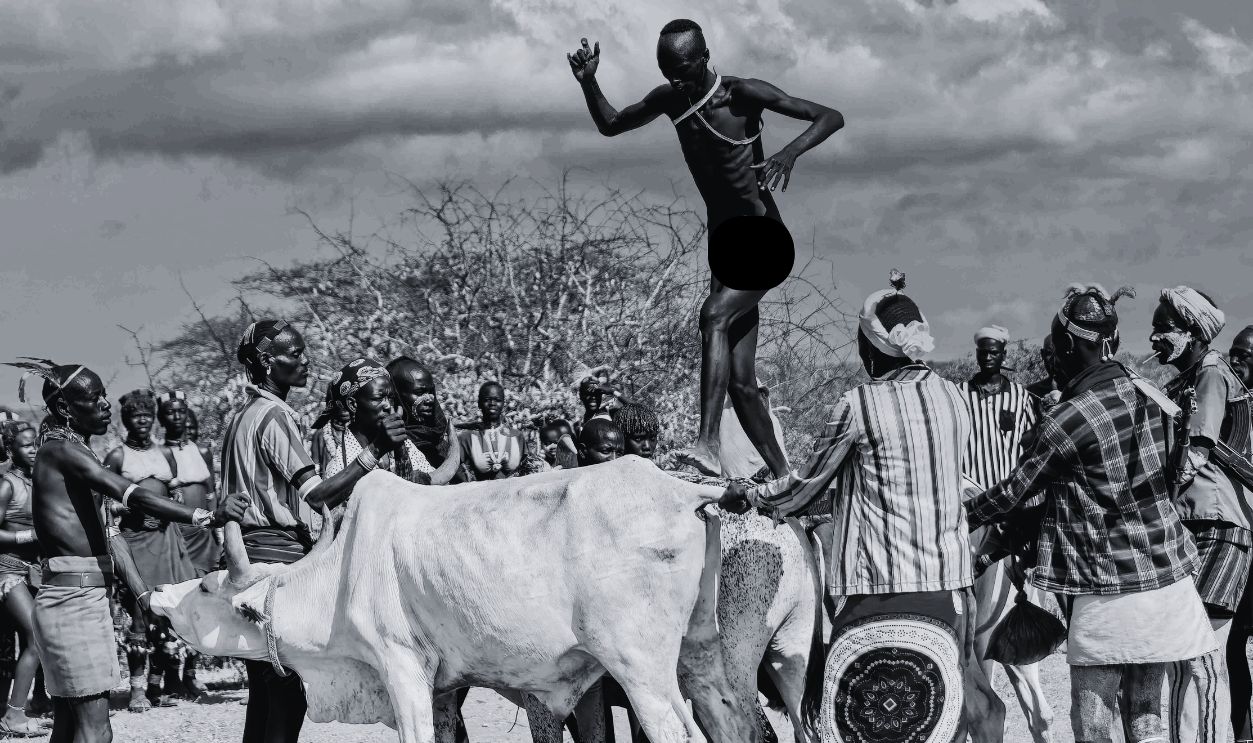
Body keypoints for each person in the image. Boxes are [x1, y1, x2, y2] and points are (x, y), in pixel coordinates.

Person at [717, 272, 1001, 743]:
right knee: (931, 716)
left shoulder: (858, 405)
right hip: (948, 589)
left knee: (864, 723)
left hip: (877, 591)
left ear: (872, 349)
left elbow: (805, 488)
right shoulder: (955, 397)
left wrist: (750, 496)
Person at [567, 19, 843, 480]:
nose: (675, 81)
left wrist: (789, 153)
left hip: (763, 236)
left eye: (682, 70)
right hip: (725, 246)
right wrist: (589, 81)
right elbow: (612, 124)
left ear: (704, 55)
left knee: (713, 315)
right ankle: (785, 478)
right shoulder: (671, 100)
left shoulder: (743, 94)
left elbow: (830, 116)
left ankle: (708, 444)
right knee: (740, 381)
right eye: (666, 72)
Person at [963, 284, 1214, 743]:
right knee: (1145, 716)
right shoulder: (1153, 395)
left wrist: (960, 515)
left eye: (1054, 348)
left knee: (1092, 724)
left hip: (1108, 590)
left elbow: (1014, 494)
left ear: (1070, 344)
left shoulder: (1070, 418)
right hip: (1166, 580)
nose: (1051, 360)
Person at [2, 358, 248, 743]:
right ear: (65, 409)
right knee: (96, 731)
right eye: (94, 397)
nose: (105, 404)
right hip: (72, 602)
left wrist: (142, 592)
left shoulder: (73, 453)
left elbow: (111, 535)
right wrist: (205, 516)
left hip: (82, 597)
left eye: (104, 395)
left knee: (70, 728)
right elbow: (130, 493)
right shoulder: (60, 451)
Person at [217, 320, 405, 743]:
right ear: (268, 362)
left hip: (243, 555)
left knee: (265, 690)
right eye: (295, 354)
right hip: (275, 558)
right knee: (288, 690)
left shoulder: (241, 417)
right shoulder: (275, 416)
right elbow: (317, 493)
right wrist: (375, 452)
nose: (305, 361)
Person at [1150, 287, 1251, 743]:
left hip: (1219, 528)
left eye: (1163, 329)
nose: (1154, 337)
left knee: (1203, 655)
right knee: (1183, 654)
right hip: (1192, 526)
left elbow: (1199, 447)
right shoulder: (1183, 382)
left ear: (1190, 332)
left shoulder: (1211, 374)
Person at [103, 389, 200, 711]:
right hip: (134, 541)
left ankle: (157, 684)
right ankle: (136, 690)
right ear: (126, 420)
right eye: (135, 416)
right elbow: (103, 502)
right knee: (140, 614)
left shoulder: (165, 454)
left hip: (166, 539)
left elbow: (176, 495)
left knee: (167, 609)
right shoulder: (117, 456)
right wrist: (130, 512)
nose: (142, 420)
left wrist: (173, 504)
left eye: (146, 414)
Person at [321, 358, 436, 485]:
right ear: (352, 405)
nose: (387, 405)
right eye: (378, 398)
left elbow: (431, 480)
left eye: (390, 398)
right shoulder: (341, 467)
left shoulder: (405, 443)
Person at [0, 422, 43, 736]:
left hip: (34, 572)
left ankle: (18, 711)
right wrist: (29, 535)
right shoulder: (6, 485)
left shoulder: (40, 482)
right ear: (10, 449)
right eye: (27, 445)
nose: (34, 450)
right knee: (35, 636)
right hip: (6, 570)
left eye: (36, 444)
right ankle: (14, 716)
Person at [1227, 325, 1253, 743]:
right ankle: (1241, 731)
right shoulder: (1228, 408)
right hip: (1236, 538)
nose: (1236, 363)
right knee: (1230, 644)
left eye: (1245, 357)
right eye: (1233, 354)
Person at [386, 357, 463, 484]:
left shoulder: (438, 442)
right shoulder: (386, 446)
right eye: (419, 392)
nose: (429, 399)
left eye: (430, 391)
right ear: (396, 396)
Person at [716, 378, 787, 479]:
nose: (761, 397)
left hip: (764, 476)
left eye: (762, 394)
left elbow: (782, 457)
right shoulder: (724, 414)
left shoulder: (771, 420)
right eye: (756, 393)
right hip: (732, 483)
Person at [458, 382, 526, 481]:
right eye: (487, 400)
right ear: (479, 403)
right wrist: (469, 484)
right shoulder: (467, 437)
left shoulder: (517, 436)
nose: (492, 404)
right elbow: (454, 467)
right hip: (481, 493)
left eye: (497, 400)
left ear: (503, 403)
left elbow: (527, 467)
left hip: (513, 494)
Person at [309, 382, 350, 478]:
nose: (344, 407)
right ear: (331, 404)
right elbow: (315, 472)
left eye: (348, 401)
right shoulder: (320, 435)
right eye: (340, 402)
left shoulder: (362, 432)